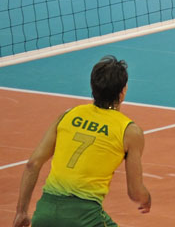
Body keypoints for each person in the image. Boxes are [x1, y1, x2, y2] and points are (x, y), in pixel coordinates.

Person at [12, 56, 152, 227]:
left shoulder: (69, 115)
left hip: (45, 213)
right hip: (84, 217)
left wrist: (21, 211)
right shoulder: (129, 131)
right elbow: (135, 192)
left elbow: (32, 164)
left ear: (93, 87)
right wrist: (146, 198)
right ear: (122, 92)